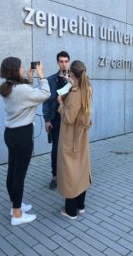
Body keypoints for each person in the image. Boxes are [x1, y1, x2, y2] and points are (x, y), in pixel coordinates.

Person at [0, 57, 50, 226]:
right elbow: (45, 94)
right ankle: (17, 215)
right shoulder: (21, 90)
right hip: (22, 136)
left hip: (10, 134)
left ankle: (16, 205)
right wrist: (41, 75)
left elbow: (24, 98)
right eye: (21, 67)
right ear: (15, 70)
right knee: (19, 176)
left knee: (12, 172)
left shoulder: (8, 88)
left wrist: (29, 79)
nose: (23, 69)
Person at [57, 60, 92, 219]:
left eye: (70, 71)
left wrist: (60, 104)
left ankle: (70, 210)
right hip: (81, 136)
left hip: (70, 137)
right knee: (81, 168)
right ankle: (80, 205)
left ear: (73, 73)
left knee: (70, 170)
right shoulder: (87, 88)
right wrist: (71, 84)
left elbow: (69, 117)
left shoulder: (75, 93)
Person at [42, 51, 70, 190]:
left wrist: (69, 80)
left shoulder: (74, 78)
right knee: (56, 148)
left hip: (71, 119)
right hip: (56, 118)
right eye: (61, 61)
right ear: (57, 62)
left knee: (70, 148)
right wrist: (47, 119)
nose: (63, 64)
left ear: (69, 62)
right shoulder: (51, 79)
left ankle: (69, 174)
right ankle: (55, 176)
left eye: (66, 61)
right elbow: (46, 101)